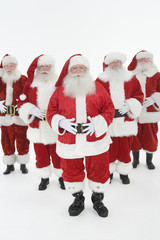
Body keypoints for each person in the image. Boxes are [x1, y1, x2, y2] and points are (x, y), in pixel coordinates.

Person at [47, 54, 115, 217]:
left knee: (99, 170)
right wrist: (60, 122)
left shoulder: (98, 87)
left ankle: (98, 200)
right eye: (75, 69)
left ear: (87, 70)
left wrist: (96, 124)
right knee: (71, 171)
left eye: (81, 68)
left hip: (95, 139)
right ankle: (78, 199)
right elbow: (51, 111)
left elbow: (109, 109)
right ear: (69, 71)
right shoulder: (60, 91)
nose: (78, 71)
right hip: (69, 140)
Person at [18, 54, 65, 190]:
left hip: (54, 126)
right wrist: (32, 109)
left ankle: (61, 177)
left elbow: (66, 103)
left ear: (52, 67)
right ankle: (44, 178)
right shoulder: (31, 85)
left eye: (47, 66)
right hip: (37, 127)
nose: (45, 69)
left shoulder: (58, 84)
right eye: (42, 67)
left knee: (58, 155)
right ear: (38, 69)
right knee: (41, 156)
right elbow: (21, 102)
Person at [96, 52, 144, 184]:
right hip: (109, 121)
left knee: (125, 149)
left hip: (126, 121)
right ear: (108, 64)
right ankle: (109, 172)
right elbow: (94, 99)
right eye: (113, 62)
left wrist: (129, 106)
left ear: (122, 63)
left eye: (118, 62)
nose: (116, 64)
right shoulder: (100, 80)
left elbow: (139, 96)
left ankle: (124, 172)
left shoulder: (131, 78)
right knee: (109, 150)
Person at [128, 50, 160, 169]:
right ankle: (135, 160)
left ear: (150, 61)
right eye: (140, 59)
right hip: (135, 112)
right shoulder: (131, 76)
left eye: (145, 59)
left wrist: (154, 99)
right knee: (134, 137)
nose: (143, 61)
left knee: (150, 138)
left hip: (150, 112)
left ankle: (149, 161)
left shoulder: (157, 75)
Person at [0, 54, 30, 174]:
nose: (8, 68)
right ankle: (9, 164)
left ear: (16, 66)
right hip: (5, 117)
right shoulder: (0, 80)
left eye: (11, 66)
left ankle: (23, 164)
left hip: (19, 116)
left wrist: (22, 106)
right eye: (6, 66)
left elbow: (29, 96)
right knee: (6, 140)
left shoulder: (23, 79)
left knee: (22, 139)